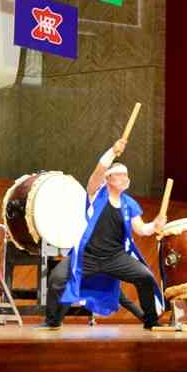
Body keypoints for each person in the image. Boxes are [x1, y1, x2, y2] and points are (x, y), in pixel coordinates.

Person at [42, 138, 166, 330]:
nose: (126, 178)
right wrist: (113, 152)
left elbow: (141, 229)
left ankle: (151, 321)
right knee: (57, 279)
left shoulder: (129, 203)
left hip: (115, 257)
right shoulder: (95, 194)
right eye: (120, 175)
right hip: (87, 256)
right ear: (108, 179)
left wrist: (155, 225)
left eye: (127, 175)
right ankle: (53, 322)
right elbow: (98, 172)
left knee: (146, 277)